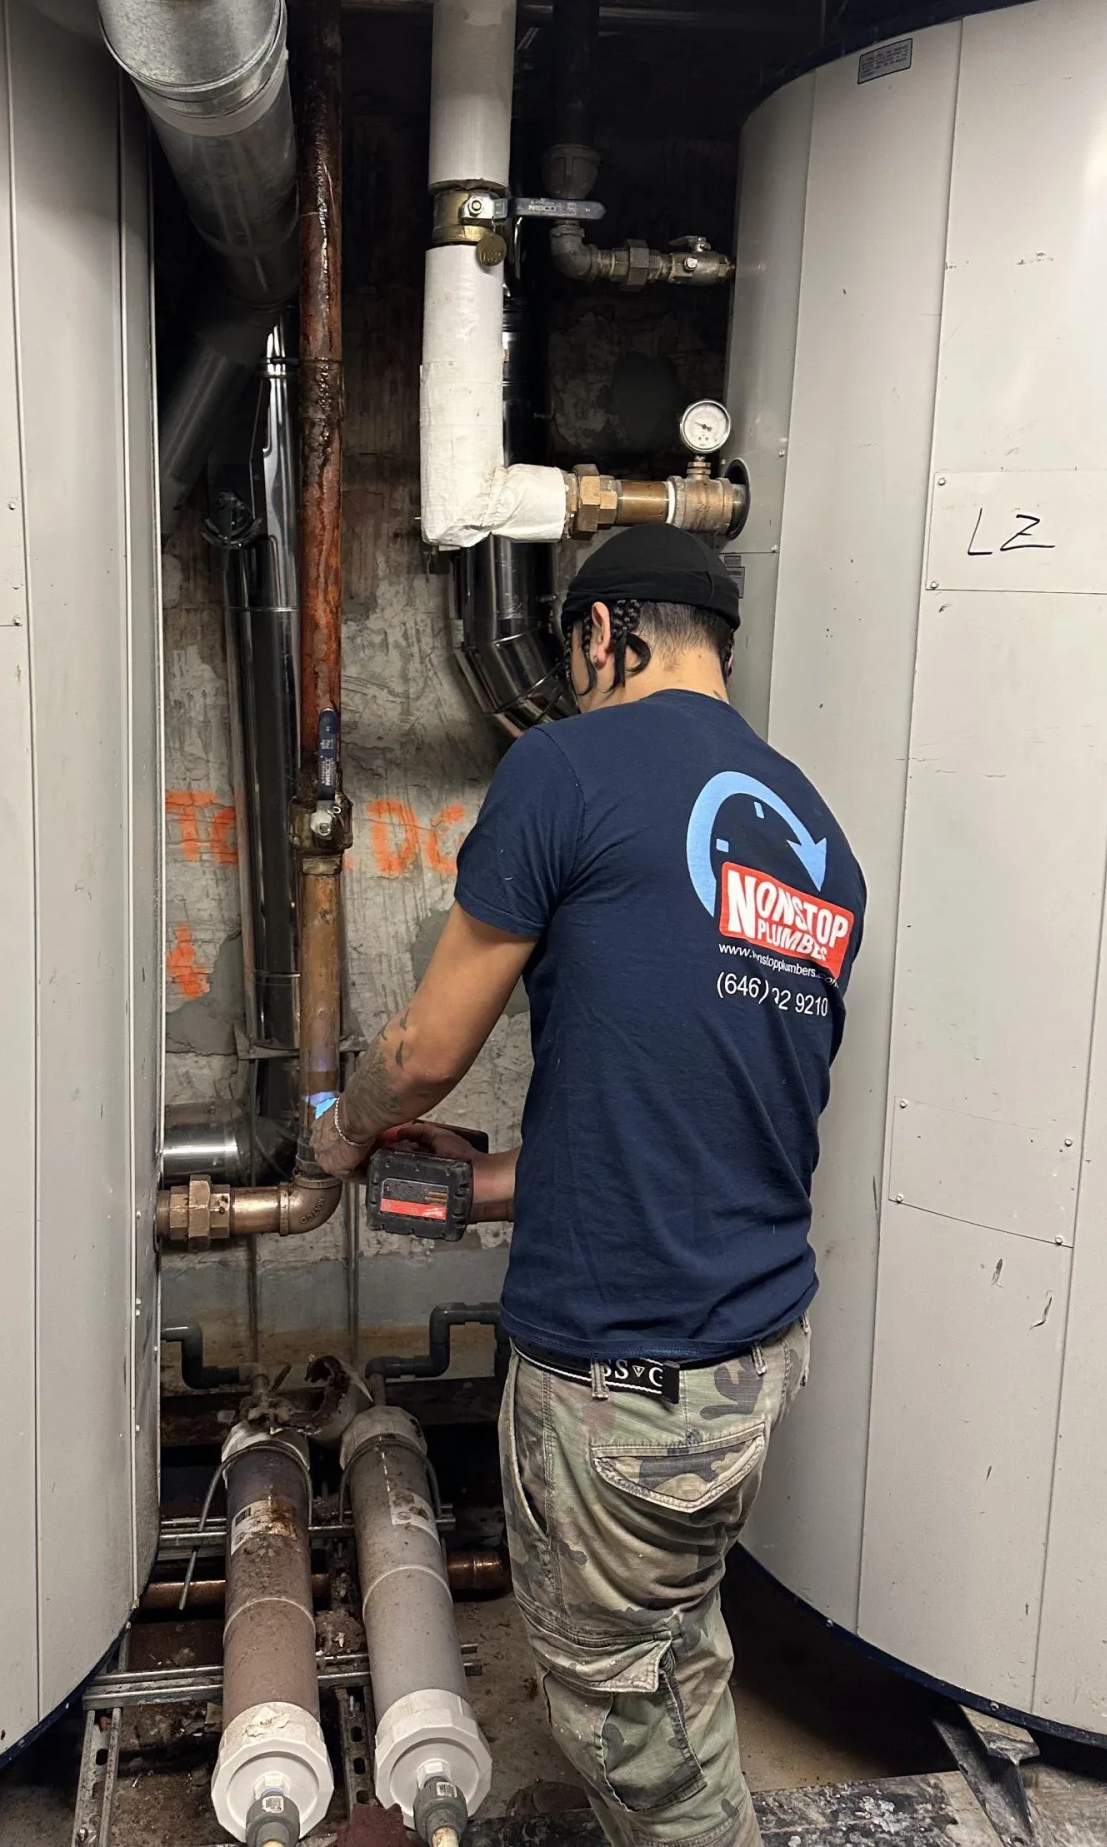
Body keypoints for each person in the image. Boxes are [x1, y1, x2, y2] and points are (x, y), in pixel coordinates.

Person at [312, 524, 866, 1847]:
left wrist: (340, 1133)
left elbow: (425, 1053)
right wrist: (489, 1185)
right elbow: (693, 1117)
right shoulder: (816, 839)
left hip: (623, 1375)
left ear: (607, 632)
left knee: (624, 1721)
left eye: (576, 657)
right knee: (671, 1643)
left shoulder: (562, 768)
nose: (571, 683)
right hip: (747, 1353)